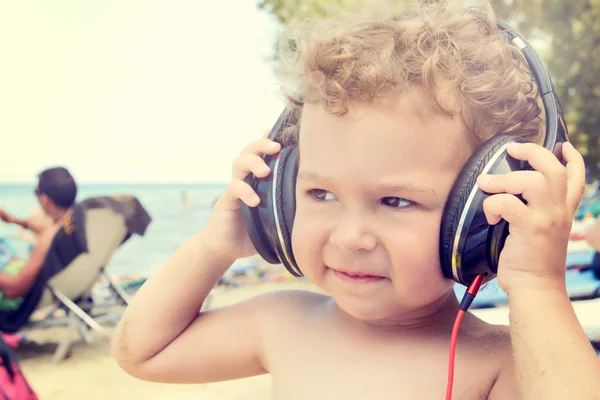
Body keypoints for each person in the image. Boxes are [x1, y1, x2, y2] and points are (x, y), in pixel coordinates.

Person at [112, 1, 600, 399]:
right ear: (277, 197)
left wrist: (537, 285)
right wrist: (212, 248)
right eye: (320, 193)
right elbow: (143, 351)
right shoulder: (283, 324)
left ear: (483, 216)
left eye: (396, 202)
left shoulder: (500, 362)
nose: (349, 237)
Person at [0, 167, 77, 303]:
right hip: (70, 291)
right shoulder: (75, 224)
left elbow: (14, 289)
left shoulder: (48, 237)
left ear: (45, 199)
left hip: (18, 309)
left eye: (36, 192)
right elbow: (46, 229)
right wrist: (13, 220)